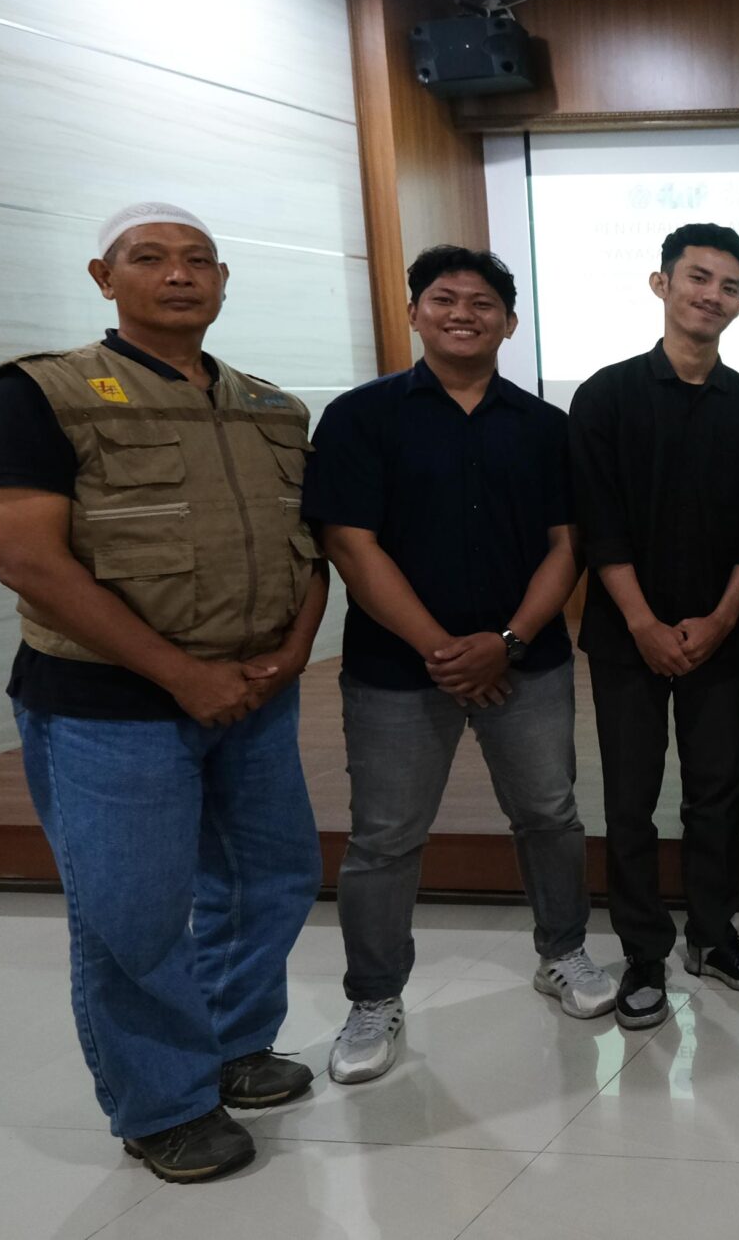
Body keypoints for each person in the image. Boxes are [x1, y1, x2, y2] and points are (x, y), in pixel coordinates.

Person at [0, 202, 326, 1182]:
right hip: (107, 705)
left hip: (253, 694)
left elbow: (310, 546)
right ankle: (164, 1103)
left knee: (271, 878)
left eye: (199, 259)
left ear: (222, 280)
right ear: (104, 276)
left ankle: (233, 1042)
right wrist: (180, 673)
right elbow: (28, 560)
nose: (178, 274)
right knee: (134, 912)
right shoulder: (43, 392)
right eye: (150, 257)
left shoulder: (270, 406)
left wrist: (294, 651)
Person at [305, 245, 612, 1084]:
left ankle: (564, 951)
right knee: (384, 838)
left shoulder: (545, 426)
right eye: (444, 299)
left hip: (527, 662)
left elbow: (567, 546)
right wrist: (443, 649)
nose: (463, 314)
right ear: (415, 312)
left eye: (483, 303)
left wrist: (505, 640)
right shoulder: (360, 417)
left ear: (509, 322)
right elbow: (350, 544)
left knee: (549, 813)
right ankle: (374, 997)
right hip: (398, 670)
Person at [569, 222, 739, 1031]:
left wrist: (726, 616)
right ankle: (644, 952)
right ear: (661, 283)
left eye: (728, 286)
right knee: (630, 798)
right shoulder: (605, 396)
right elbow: (598, 524)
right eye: (698, 277)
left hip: (717, 636)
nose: (712, 295)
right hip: (628, 636)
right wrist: (643, 622)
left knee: (716, 791)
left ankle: (713, 934)